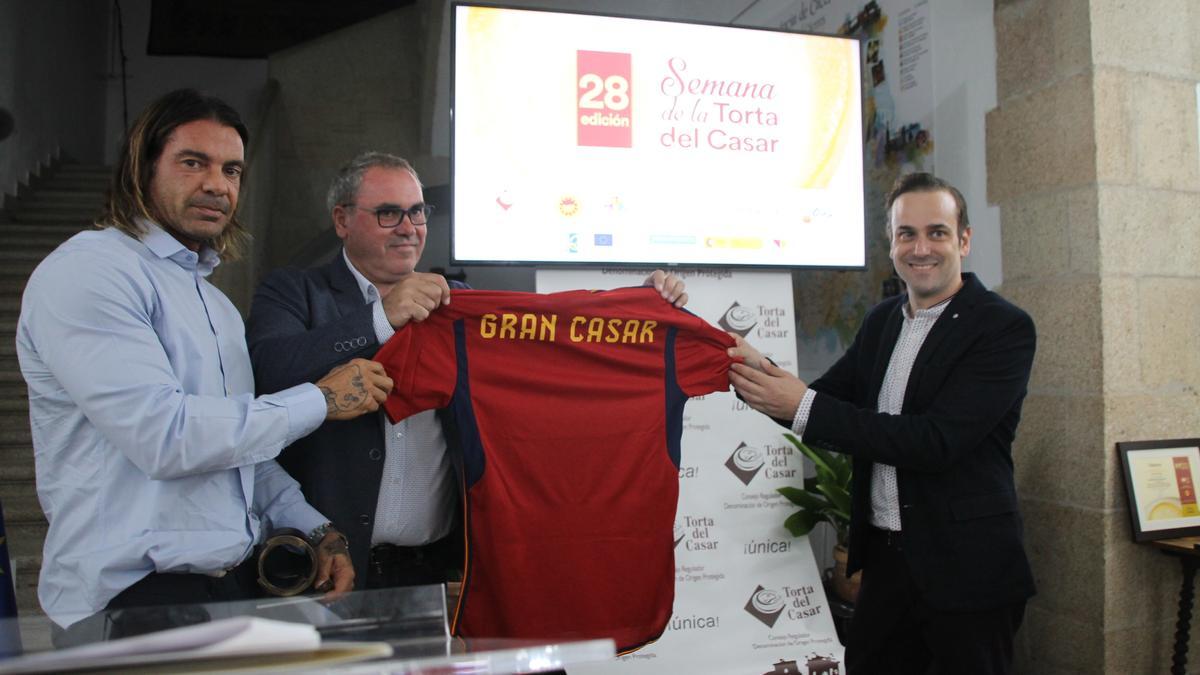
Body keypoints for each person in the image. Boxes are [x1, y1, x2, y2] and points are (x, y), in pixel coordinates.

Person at [15, 90, 393, 638]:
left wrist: (314, 528)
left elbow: (237, 451)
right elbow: (166, 436)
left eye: (232, 169)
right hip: (130, 601)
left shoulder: (211, 301)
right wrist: (321, 399)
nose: (218, 184)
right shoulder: (91, 272)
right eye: (193, 162)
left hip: (225, 588)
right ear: (142, 168)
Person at [246, 151, 689, 589]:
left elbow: (551, 355)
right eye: (388, 214)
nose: (408, 228)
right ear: (342, 221)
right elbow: (270, 370)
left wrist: (638, 313)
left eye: (417, 212)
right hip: (325, 568)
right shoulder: (293, 290)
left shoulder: (457, 303)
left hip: (436, 573)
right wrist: (378, 319)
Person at [729, 172, 1036, 674]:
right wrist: (746, 363)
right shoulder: (882, 320)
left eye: (937, 232)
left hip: (968, 571)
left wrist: (799, 402)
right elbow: (818, 402)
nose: (921, 248)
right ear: (890, 244)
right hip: (888, 566)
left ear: (964, 239)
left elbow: (936, 442)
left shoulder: (1002, 327)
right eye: (905, 234)